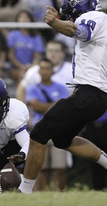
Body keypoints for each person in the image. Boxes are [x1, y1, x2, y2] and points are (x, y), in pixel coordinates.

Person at [18, 0, 107, 194]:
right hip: (99, 99)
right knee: (62, 140)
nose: (72, 18)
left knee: (38, 135)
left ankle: (24, 191)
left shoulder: (92, 18)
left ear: (80, 8)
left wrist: (55, 23)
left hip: (88, 93)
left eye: (72, 14)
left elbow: (79, 31)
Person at [26, 58, 69, 191]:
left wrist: (43, 106)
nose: (45, 71)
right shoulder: (33, 88)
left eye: (47, 68)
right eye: (42, 68)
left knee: (60, 167)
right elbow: (34, 105)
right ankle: (43, 194)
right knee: (41, 168)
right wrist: (54, 106)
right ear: (39, 70)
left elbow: (64, 107)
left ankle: (59, 194)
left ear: (52, 71)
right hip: (40, 131)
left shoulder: (61, 87)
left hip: (57, 131)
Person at [7, 10, 44, 84]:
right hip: (15, 68)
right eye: (21, 17)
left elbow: (37, 57)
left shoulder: (36, 37)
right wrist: (21, 66)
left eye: (27, 17)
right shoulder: (12, 35)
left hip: (31, 68)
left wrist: (31, 68)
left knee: (31, 75)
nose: (24, 19)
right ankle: (21, 95)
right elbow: (11, 55)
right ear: (17, 20)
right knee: (23, 74)